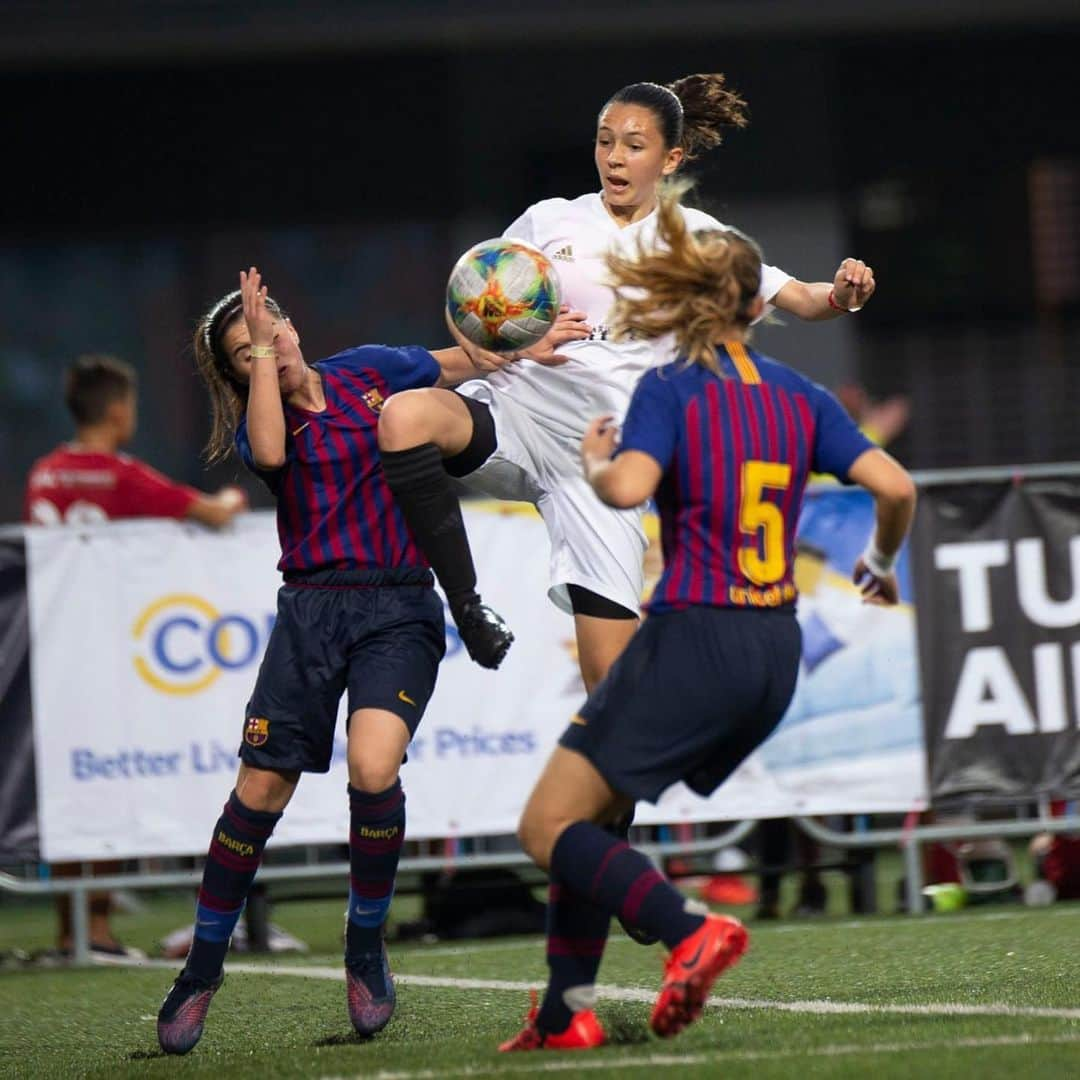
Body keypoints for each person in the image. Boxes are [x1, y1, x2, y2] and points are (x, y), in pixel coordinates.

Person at [497, 187, 915, 1050]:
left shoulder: (672, 387)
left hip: (694, 636)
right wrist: (875, 566)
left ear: (684, 302)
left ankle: (688, 929)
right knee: (597, 806)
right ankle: (561, 1016)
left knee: (547, 826)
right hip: (775, 652)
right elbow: (897, 488)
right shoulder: (802, 396)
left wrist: (598, 462)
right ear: (755, 304)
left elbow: (627, 492)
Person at [378, 72, 876, 702]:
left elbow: (804, 300)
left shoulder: (700, 240)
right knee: (404, 418)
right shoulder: (550, 220)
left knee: (610, 688)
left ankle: (617, 793)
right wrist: (507, 343)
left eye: (633, 145)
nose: (614, 156)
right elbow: (468, 302)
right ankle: (465, 605)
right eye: (604, 141)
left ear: (671, 158)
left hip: (603, 466)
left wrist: (842, 295)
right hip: (518, 417)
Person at [155, 269, 516, 1055]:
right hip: (311, 616)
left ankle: (364, 948)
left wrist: (529, 337)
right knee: (259, 790)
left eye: (270, 332)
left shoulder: (371, 371)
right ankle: (202, 970)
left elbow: (458, 361)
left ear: (292, 325)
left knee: (373, 769)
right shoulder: (267, 425)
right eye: (245, 353)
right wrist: (254, 365)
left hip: (399, 609)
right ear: (238, 373)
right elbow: (273, 450)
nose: (268, 351)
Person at [23, 353, 248, 962]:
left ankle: (71, 932)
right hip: (111, 661)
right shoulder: (120, 474)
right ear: (120, 410)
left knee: (74, 787)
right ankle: (96, 931)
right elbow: (209, 513)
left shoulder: (44, 473)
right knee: (110, 785)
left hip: (51, 660)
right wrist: (230, 497)